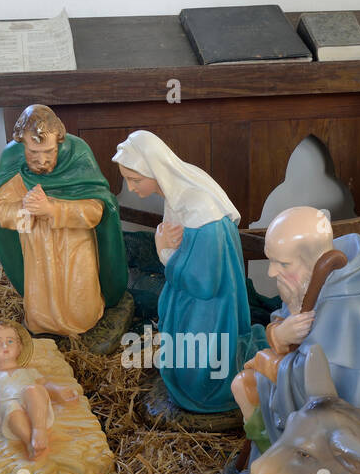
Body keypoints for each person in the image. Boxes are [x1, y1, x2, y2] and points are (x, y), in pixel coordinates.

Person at [233, 206, 360, 474]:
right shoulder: (309, 284)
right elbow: (281, 325)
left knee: (251, 383)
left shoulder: (348, 309)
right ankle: (273, 462)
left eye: (281, 263)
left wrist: (275, 364)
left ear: (312, 260)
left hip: (337, 435)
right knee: (243, 385)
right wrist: (279, 336)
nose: (271, 272)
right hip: (295, 393)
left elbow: (327, 395)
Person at [112, 130, 266, 413]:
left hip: (208, 307)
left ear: (155, 171)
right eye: (127, 179)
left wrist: (163, 252)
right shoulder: (179, 189)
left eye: (135, 180)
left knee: (198, 378)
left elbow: (203, 282)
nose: (131, 188)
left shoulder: (199, 210)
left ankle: (213, 384)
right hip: (203, 298)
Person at [0, 105, 128, 336]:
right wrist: (26, 210)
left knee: (81, 306)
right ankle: (44, 329)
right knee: (41, 309)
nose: (41, 161)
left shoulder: (78, 155)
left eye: (49, 152)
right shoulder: (13, 161)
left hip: (76, 247)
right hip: (37, 251)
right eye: (33, 153)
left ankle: (84, 322)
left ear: (60, 143)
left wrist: (53, 209)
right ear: (22, 146)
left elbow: (96, 209)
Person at [0, 318, 78, 460]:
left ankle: (38, 430)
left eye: (10, 341)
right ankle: (30, 441)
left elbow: (46, 384)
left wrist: (59, 390)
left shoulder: (29, 371)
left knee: (32, 390)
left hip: (37, 408)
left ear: (19, 346)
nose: (5, 345)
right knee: (11, 407)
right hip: (11, 416)